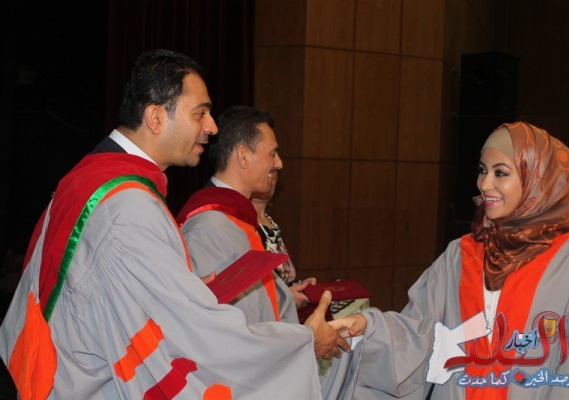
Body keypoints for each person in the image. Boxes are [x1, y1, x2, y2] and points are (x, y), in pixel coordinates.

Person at [0, 49, 350, 400]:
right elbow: (194, 333)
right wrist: (303, 342)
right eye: (200, 113)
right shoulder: (128, 206)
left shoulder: (88, 178)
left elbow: (95, 294)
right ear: (155, 118)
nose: (212, 127)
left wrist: (181, 289)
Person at [329, 122, 569, 399]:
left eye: (500, 173)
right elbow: (419, 335)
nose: (484, 184)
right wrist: (369, 327)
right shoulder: (460, 256)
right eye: (483, 170)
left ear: (538, 180)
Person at [176, 106, 300, 323]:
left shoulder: (235, 218)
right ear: (243, 156)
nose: (279, 163)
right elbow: (228, 325)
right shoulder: (207, 228)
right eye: (272, 154)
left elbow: (265, 305)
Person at [251, 179, 317, 310]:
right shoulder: (245, 224)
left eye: (273, 172)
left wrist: (300, 287)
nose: (270, 178)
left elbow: (281, 278)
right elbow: (251, 289)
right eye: (268, 172)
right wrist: (285, 297)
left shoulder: (271, 222)